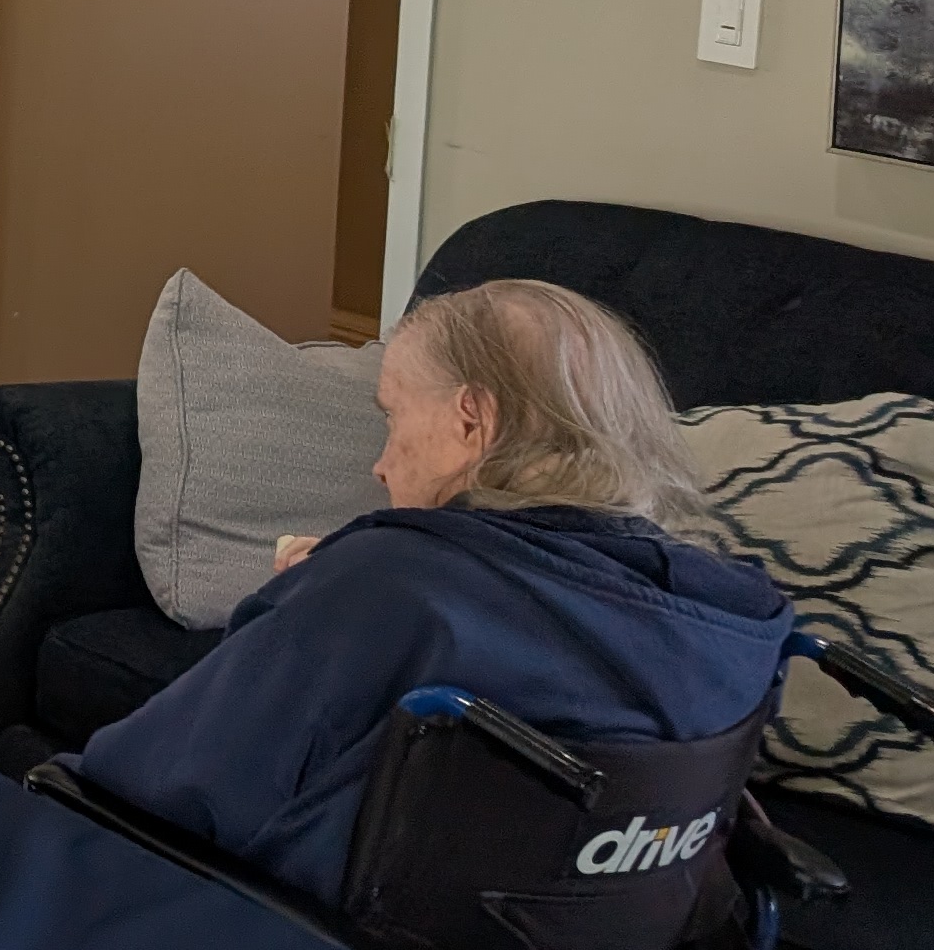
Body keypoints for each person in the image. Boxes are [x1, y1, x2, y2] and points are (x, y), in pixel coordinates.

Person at [71, 278, 788, 906]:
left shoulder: (384, 585)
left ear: (471, 419)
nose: (381, 465)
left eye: (392, 416)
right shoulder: (740, 614)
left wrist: (321, 604)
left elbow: (148, 784)